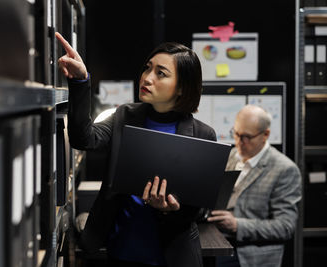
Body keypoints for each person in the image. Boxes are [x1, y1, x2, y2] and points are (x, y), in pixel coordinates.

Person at [55, 32, 216, 267]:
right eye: (147, 68)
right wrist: (80, 81)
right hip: (121, 251)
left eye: (160, 73)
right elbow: (84, 139)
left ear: (181, 87)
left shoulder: (203, 135)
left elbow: (198, 210)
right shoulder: (124, 115)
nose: (147, 78)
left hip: (171, 257)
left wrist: (170, 210)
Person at [207, 105, 302, 267]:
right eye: (235, 133)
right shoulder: (230, 157)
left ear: (265, 135)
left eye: (246, 137)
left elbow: (285, 226)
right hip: (217, 245)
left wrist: (238, 225)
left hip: (250, 256)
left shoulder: (284, 169)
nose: (238, 142)